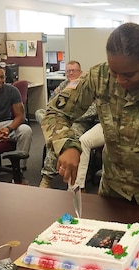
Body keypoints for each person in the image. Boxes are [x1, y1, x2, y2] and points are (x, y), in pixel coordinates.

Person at [41, 22, 139, 227]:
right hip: (111, 190)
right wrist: (67, 144)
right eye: (115, 72)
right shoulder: (98, 76)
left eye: (129, 74)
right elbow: (54, 112)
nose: (120, 80)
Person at [37, 60, 88, 188]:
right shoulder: (63, 85)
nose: (71, 73)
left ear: (80, 72)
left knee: (60, 138)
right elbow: (50, 106)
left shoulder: (86, 87)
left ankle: (46, 178)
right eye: (68, 71)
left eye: (74, 71)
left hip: (78, 121)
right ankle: (52, 132)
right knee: (41, 113)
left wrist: (69, 118)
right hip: (60, 119)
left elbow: (92, 110)